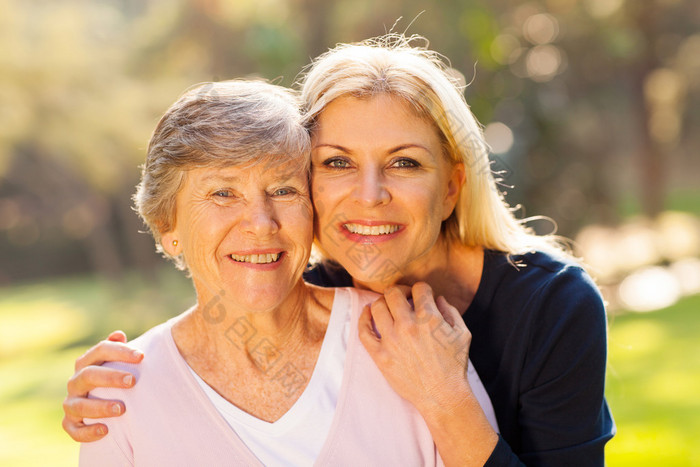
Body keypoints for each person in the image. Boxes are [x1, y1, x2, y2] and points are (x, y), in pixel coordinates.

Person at [64, 35, 614, 466]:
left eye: (404, 162)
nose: (369, 196)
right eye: (336, 163)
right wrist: (134, 380)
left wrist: (444, 398)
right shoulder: (309, 285)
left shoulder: (550, 304)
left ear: (451, 186)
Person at [76, 79, 498, 466]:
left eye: (283, 190)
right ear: (169, 227)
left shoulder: (415, 338)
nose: (261, 222)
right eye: (223, 193)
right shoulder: (120, 396)